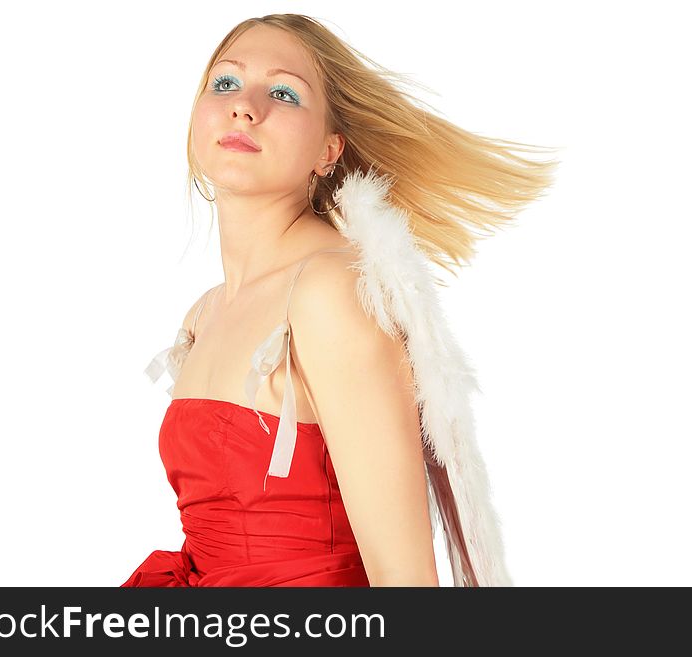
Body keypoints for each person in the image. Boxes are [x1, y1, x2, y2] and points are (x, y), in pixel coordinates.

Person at [120, 13, 559, 588]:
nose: (244, 106)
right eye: (224, 83)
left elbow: (406, 581)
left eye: (283, 93)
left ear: (329, 151)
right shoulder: (205, 313)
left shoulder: (328, 293)